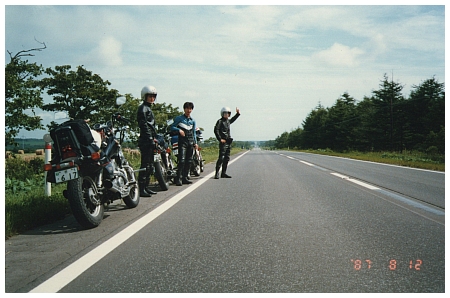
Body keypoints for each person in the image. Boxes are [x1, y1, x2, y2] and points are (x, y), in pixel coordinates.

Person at [137, 85, 158, 197]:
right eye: (150, 96)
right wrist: (150, 138)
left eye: (154, 96)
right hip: (145, 140)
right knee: (145, 164)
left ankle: (146, 187)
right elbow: (144, 125)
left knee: (150, 165)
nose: (152, 98)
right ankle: (141, 188)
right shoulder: (143, 109)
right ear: (144, 96)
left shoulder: (148, 108)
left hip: (150, 139)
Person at [171, 102, 198, 186]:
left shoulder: (192, 121)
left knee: (189, 161)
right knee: (181, 160)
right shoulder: (179, 118)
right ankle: (178, 178)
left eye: (190, 109)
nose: (188, 110)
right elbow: (172, 127)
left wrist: (195, 143)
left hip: (190, 142)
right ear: (184, 109)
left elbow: (194, 133)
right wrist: (179, 130)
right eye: (187, 108)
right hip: (182, 142)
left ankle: (185, 177)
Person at [214, 107, 240, 179]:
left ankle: (223, 173)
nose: (226, 114)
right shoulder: (220, 121)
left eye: (228, 113)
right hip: (223, 142)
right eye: (225, 113)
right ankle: (216, 173)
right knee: (221, 157)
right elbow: (216, 130)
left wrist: (237, 114)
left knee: (227, 158)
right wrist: (220, 139)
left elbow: (233, 119)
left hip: (228, 142)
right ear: (222, 113)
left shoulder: (228, 121)